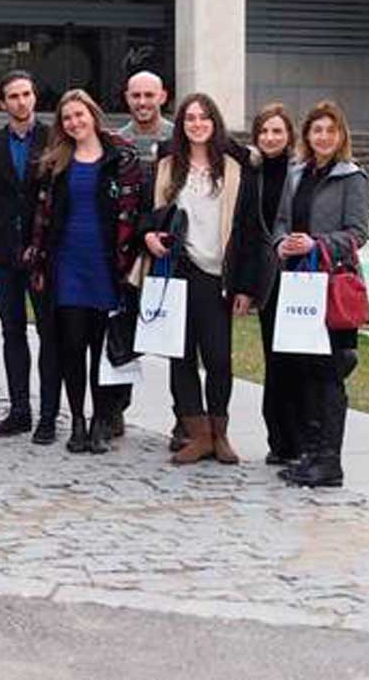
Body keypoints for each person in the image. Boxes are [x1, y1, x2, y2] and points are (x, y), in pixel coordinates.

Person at [21, 89, 146, 454]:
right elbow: (40, 219)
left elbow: (135, 210)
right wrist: (39, 260)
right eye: (67, 118)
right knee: (72, 346)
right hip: (68, 263)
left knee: (100, 347)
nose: (75, 123)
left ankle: (100, 421)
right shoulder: (54, 162)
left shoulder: (121, 157)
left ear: (93, 114)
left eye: (80, 115)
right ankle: (75, 419)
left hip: (108, 264)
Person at [141, 92, 258, 466]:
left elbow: (251, 229)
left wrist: (246, 286)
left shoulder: (236, 166)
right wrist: (149, 237)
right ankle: (198, 434)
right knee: (182, 356)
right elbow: (147, 215)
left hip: (219, 274)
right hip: (179, 270)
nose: (196, 124)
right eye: (189, 118)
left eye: (204, 117)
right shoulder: (166, 166)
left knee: (219, 358)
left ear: (215, 122)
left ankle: (220, 432)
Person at [273, 100, 369, 489]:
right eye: (317, 130)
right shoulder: (296, 174)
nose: (324, 137)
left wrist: (316, 243)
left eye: (331, 130)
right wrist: (282, 244)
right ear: (308, 136)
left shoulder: (352, 177)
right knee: (304, 369)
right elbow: (280, 221)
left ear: (340, 135)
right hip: (299, 282)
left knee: (331, 372)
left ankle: (330, 460)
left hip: (333, 284)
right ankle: (310, 452)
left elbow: (358, 233)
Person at [0, 70, 51, 439]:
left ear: (35, 96)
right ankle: (19, 409)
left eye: (27, 94)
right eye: (13, 96)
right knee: (13, 332)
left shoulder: (55, 138)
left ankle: (49, 413)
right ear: (2, 103)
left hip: (43, 253)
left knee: (51, 334)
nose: (22, 102)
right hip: (1, 254)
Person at [240, 103, 299, 466]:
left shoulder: (302, 171)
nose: (270, 138)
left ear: (289, 135)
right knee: (274, 360)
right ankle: (279, 440)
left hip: (299, 275)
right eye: (264, 131)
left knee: (299, 360)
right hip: (268, 279)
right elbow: (246, 229)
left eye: (277, 131)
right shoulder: (252, 172)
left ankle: (301, 436)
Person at [115, 69, 172, 444]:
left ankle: (187, 418)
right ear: (127, 98)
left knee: (179, 337)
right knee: (118, 333)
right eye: (136, 96)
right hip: (127, 250)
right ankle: (112, 410)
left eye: (149, 95)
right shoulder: (117, 141)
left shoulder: (180, 137)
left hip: (170, 249)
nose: (143, 103)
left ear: (163, 97)